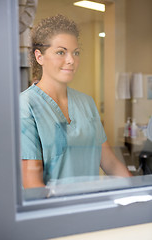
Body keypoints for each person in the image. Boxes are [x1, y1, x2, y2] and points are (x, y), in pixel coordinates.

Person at [20, 14, 132, 189]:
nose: (71, 60)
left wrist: (138, 191)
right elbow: (32, 184)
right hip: (55, 212)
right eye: (61, 52)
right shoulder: (25, 106)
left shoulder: (87, 103)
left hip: (90, 207)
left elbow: (110, 162)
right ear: (39, 57)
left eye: (76, 52)